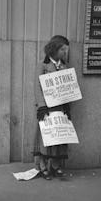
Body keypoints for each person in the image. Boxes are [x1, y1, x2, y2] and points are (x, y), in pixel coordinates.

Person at [34, 35, 72, 180]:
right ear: (55, 48)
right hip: (46, 107)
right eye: (62, 49)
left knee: (58, 138)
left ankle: (55, 166)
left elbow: (68, 87)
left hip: (60, 107)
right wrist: (42, 106)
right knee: (45, 137)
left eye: (66, 50)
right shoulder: (42, 65)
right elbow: (37, 87)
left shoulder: (64, 66)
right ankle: (43, 167)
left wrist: (67, 107)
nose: (65, 52)